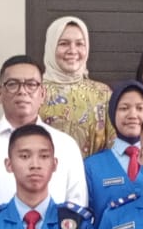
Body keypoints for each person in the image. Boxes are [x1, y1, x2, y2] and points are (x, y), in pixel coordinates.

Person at [0, 57, 87, 218]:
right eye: (12, 84)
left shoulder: (66, 145)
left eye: (31, 84)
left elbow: (77, 205)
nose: (22, 91)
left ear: (43, 94)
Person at [38, 16, 112, 159]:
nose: (72, 50)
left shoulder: (102, 93)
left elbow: (113, 145)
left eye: (79, 44)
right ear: (51, 46)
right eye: (63, 43)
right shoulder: (34, 91)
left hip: (91, 172)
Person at [84, 80, 143, 211]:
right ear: (112, 113)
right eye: (124, 108)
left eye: (140, 108)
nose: (132, 115)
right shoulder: (91, 166)